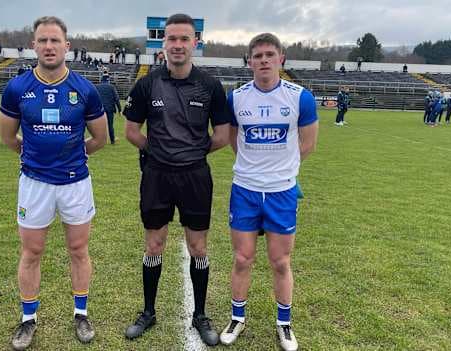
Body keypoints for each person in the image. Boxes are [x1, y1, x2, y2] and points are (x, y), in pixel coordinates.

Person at [0, 16, 107, 350]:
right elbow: (7, 136)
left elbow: (100, 138)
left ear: (67, 47)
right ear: (34, 45)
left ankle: (81, 313)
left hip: (75, 183)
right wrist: (34, 156)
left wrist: (72, 155)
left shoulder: (84, 89)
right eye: (42, 41)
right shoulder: (17, 88)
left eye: (54, 41)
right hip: (35, 183)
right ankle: (28, 319)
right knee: (32, 251)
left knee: (78, 249)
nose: (48, 46)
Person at [122, 13, 230, 346]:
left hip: (195, 177)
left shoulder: (210, 86)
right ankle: (149, 312)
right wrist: (158, 153)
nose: (178, 45)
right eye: (172, 38)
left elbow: (223, 136)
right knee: (154, 244)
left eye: (185, 38)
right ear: (163, 43)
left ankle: (200, 314)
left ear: (195, 42)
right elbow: (131, 131)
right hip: (157, 176)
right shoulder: (147, 84)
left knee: (198, 247)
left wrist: (192, 154)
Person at [219, 33, 318, 351]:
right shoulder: (236, 98)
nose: (263, 60)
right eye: (257, 55)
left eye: (269, 55)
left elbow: (308, 145)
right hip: (245, 190)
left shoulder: (300, 97)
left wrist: (281, 170)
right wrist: (254, 168)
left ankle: (285, 324)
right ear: (249, 61)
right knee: (242, 258)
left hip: (281, 193)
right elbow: (234, 140)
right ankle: (237, 317)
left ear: (281, 59)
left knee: (280, 261)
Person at [96, 74, 121, 144]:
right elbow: (116, 98)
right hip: (110, 109)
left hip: (99, 109)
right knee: (110, 125)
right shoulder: (111, 87)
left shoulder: (97, 87)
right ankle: (112, 140)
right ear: (108, 80)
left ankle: (99, 140)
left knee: (100, 125)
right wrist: (119, 109)